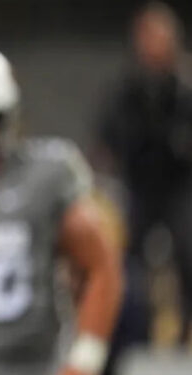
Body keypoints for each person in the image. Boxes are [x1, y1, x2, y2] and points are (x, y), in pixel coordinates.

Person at [0, 42, 123, 375]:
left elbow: (101, 266)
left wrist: (85, 360)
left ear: (4, 118)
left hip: (29, 364)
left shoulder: (46, 175)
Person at [95, 2, 192, 368]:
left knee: (188, 251)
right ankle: (132, 334)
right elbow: (106, 142)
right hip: (138, 186)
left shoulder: (184, 86)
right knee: (124, 261)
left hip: (182, 187)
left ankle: (185, 333)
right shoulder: (126, 88)